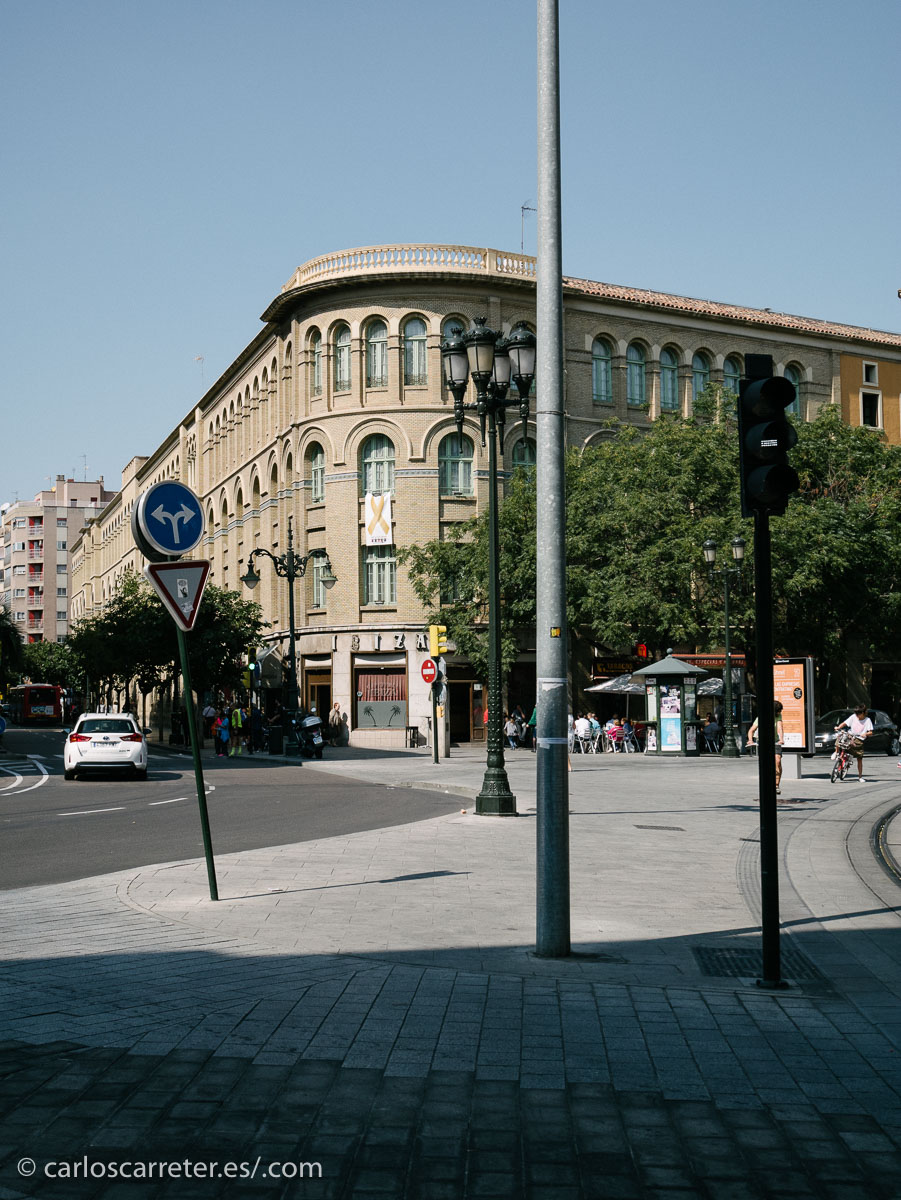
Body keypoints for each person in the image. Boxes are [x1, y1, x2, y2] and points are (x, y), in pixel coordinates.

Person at [747, 701, 785, 794]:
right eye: (778, 711)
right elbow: (751, 730)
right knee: (765, 764)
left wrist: (781, 739)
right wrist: (750, 740)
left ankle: (776, 785)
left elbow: (780, 728)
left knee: (778, 760)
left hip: (775, 741)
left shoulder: (778, 717)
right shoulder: (761, 718)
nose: (780, 713)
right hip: (763, 742)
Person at [835, 704, 873, 782]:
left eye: (859, 713)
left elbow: (871, 732)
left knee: (859, 757)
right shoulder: (853, 717)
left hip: (859, 739)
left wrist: (865, 734)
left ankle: (860, 777)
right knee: (840, 738)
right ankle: (837, 754)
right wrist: (839, 727)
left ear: (864, 713)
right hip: (850, 735)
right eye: (856, 713)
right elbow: (845, 723)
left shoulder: (867, 720)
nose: (857, 715)